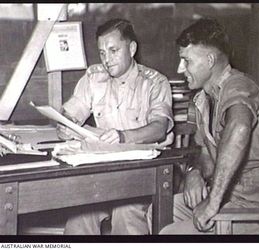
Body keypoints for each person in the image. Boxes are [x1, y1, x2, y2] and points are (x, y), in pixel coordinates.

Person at [158, 18, 259, 234]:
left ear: (210, 60)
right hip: (232, 195)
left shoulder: (239, 86)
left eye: (186, 61)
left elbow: (239, 128)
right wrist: (194, 171)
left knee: (170, 235)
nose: (180, 69)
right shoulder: (202, 99)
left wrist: (212, 203)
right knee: (158, 211)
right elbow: (206, 152)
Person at [58, 18, 174, 235]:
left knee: (126, 213)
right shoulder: (94, 77)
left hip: (142, 175)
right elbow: (70, 113)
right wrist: (65, 123)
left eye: (113, 50)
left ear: (131, 48)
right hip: (102, 174)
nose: (106, 60)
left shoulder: (155, 82)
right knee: (80, 215)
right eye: (102, 53)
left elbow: (159, 127)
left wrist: (123, 136)